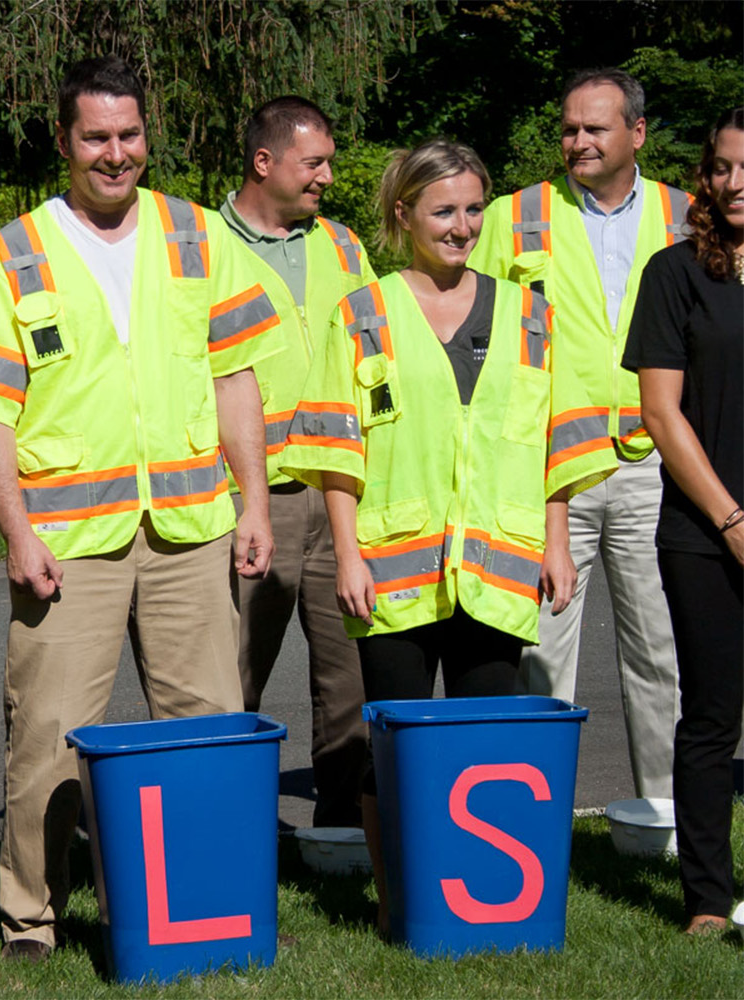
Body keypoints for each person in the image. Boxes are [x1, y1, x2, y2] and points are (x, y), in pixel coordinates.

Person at [0, 56, 280, 962]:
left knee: (208, 732)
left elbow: (234, 376)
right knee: (48, 745)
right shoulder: (13, 253)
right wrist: (15, 532)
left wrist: (254, 502)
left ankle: (204, 906)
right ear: (64, 142)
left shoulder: (197, 233)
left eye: (129, 135)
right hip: (66, 544)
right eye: (96, 136)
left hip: (189, 533)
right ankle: (31, 922)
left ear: (147, 135)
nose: (115, 153)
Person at [279, 139, 615, 934]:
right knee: (392, 746)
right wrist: (349, 556)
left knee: (481, 744)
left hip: (497, 567)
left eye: (472, 210)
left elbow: (556, 438)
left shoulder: (530, 313)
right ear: (404, 215)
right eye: (443, 212)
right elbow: (335, 447)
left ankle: (477, 903)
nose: (462, 227)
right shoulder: (362, 312)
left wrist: (557, 543)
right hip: (392, 571)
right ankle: (401, 905)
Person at [468, 68, 689, 800]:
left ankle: (662, 816)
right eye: (569, 127)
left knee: (661, 652)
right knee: (539, 654)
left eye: (596, 128)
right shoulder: (512, 216)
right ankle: (533, 816)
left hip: (657, 468)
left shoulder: (690, 217)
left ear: (638, 134)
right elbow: (473, 334)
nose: (578, 141)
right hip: (546, 475)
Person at [219, 96, 376, 828]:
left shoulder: (344, 245)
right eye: (315, 163)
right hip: (247, 501)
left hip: (339, 492)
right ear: (264, 162)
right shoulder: (201, 247)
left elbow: (374, 360)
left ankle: (342, 830)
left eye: (329, 163)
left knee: (347, 678)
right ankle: (228, 827)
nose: (328, 178)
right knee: (230, 676)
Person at [622, 107, 744, 936]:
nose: (733, 184)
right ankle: (707, 897)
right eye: (724, 167)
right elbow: (663, 416)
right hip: (705, 530)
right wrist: (733, 520)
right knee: (710, 715)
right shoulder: (675, 273)